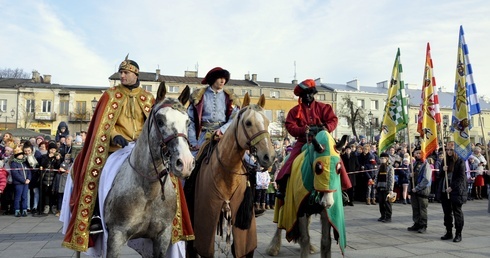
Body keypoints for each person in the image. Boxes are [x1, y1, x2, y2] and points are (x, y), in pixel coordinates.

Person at [62, 56, 155, 252]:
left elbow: (153, 126)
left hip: (141, 147)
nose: (122, 76)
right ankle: (95, 216)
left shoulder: (148, 98)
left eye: (126, 73)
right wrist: (114, 136)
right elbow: (102, 126)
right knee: (95, 173)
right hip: (116, 149)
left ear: (135, 74)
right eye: (121, 73)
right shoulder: (110, 95)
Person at [275, 79, 338, 199]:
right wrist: (303, 130)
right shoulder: (294, 111)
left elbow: (333, 120)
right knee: (291, 161)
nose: (308, 96)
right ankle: (282, 187)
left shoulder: (324, 107)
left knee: (336, 158)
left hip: (322, 140)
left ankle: (343, 188)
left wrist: (325, 128)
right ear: (301, 96)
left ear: (313, 93)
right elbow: (290, 126)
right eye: (305, 94)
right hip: (303, 141)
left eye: (310, 93)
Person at [186, 67, 240, 156]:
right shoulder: (198, 97)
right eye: (220, 78)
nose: (223, 81)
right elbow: (190, 120)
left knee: (244, 158)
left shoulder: (230, 98)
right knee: (192, 161)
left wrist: (222, 130)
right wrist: (193, 142)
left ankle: (255, 168)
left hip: (224, 134)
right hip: (203, 136)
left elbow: (235, 118)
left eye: (224, 78)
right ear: (213, 79)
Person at [438, 143, 467, 242]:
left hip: (456, 191)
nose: (449, 151)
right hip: (444, 190)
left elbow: (461, 178)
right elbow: (439, 175)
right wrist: (442, 170)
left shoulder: (460, 162)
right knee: (447, 213)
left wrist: (452, 187)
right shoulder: (444, 161)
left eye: (451, 150)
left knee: (457, 212)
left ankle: (458, 233)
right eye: (448, 150)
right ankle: (448, 231)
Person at [407, 147, 432, 234]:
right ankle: (416, 223)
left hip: (422, 190)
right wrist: (410, 175)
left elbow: (426, 179)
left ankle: (423, 225)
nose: (417, 155)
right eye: (416, 153)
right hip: (414, 190)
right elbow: (410, 175)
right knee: (415, 208)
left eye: (419, 153)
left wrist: (417, 188)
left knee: (422, 209)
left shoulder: (426, 164)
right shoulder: (414, 163)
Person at [39, 142, 61, 215]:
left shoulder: (57, 157)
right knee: (46, 192)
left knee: (54, 193)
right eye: (51, 149)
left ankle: (53, 206)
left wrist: (58, 160)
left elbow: (58, 167)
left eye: (54, 150)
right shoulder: (44, 156)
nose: (52, 151)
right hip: (46, 177)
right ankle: (46, 206)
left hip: (53, 178)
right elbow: (42, 164)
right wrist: (49, 157)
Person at [10, 146, 31, 217]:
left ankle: (24, 209)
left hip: (26, 183)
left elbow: (28, 172)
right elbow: (15, 174)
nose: (21, 155)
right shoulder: (14, 163)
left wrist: (28, 179)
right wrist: (23, 180)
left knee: (24, 196)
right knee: (18, 197)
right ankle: (17, 210)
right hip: (18, 183)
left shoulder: (24, 163)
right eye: (20, 154)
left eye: (22, 154)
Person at [374, 153, 395, 222]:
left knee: (387, 203)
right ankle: (382, 215)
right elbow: (376, 177)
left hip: (386, 188)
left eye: (383, 158)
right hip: (380, 187)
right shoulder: (379, 167)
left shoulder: (390, 167)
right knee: (381, 202)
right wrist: (375, 186)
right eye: (381, 158)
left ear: (387, 159)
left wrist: (390, 189)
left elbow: (391, 179)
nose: (382, 160)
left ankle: (388, 217)